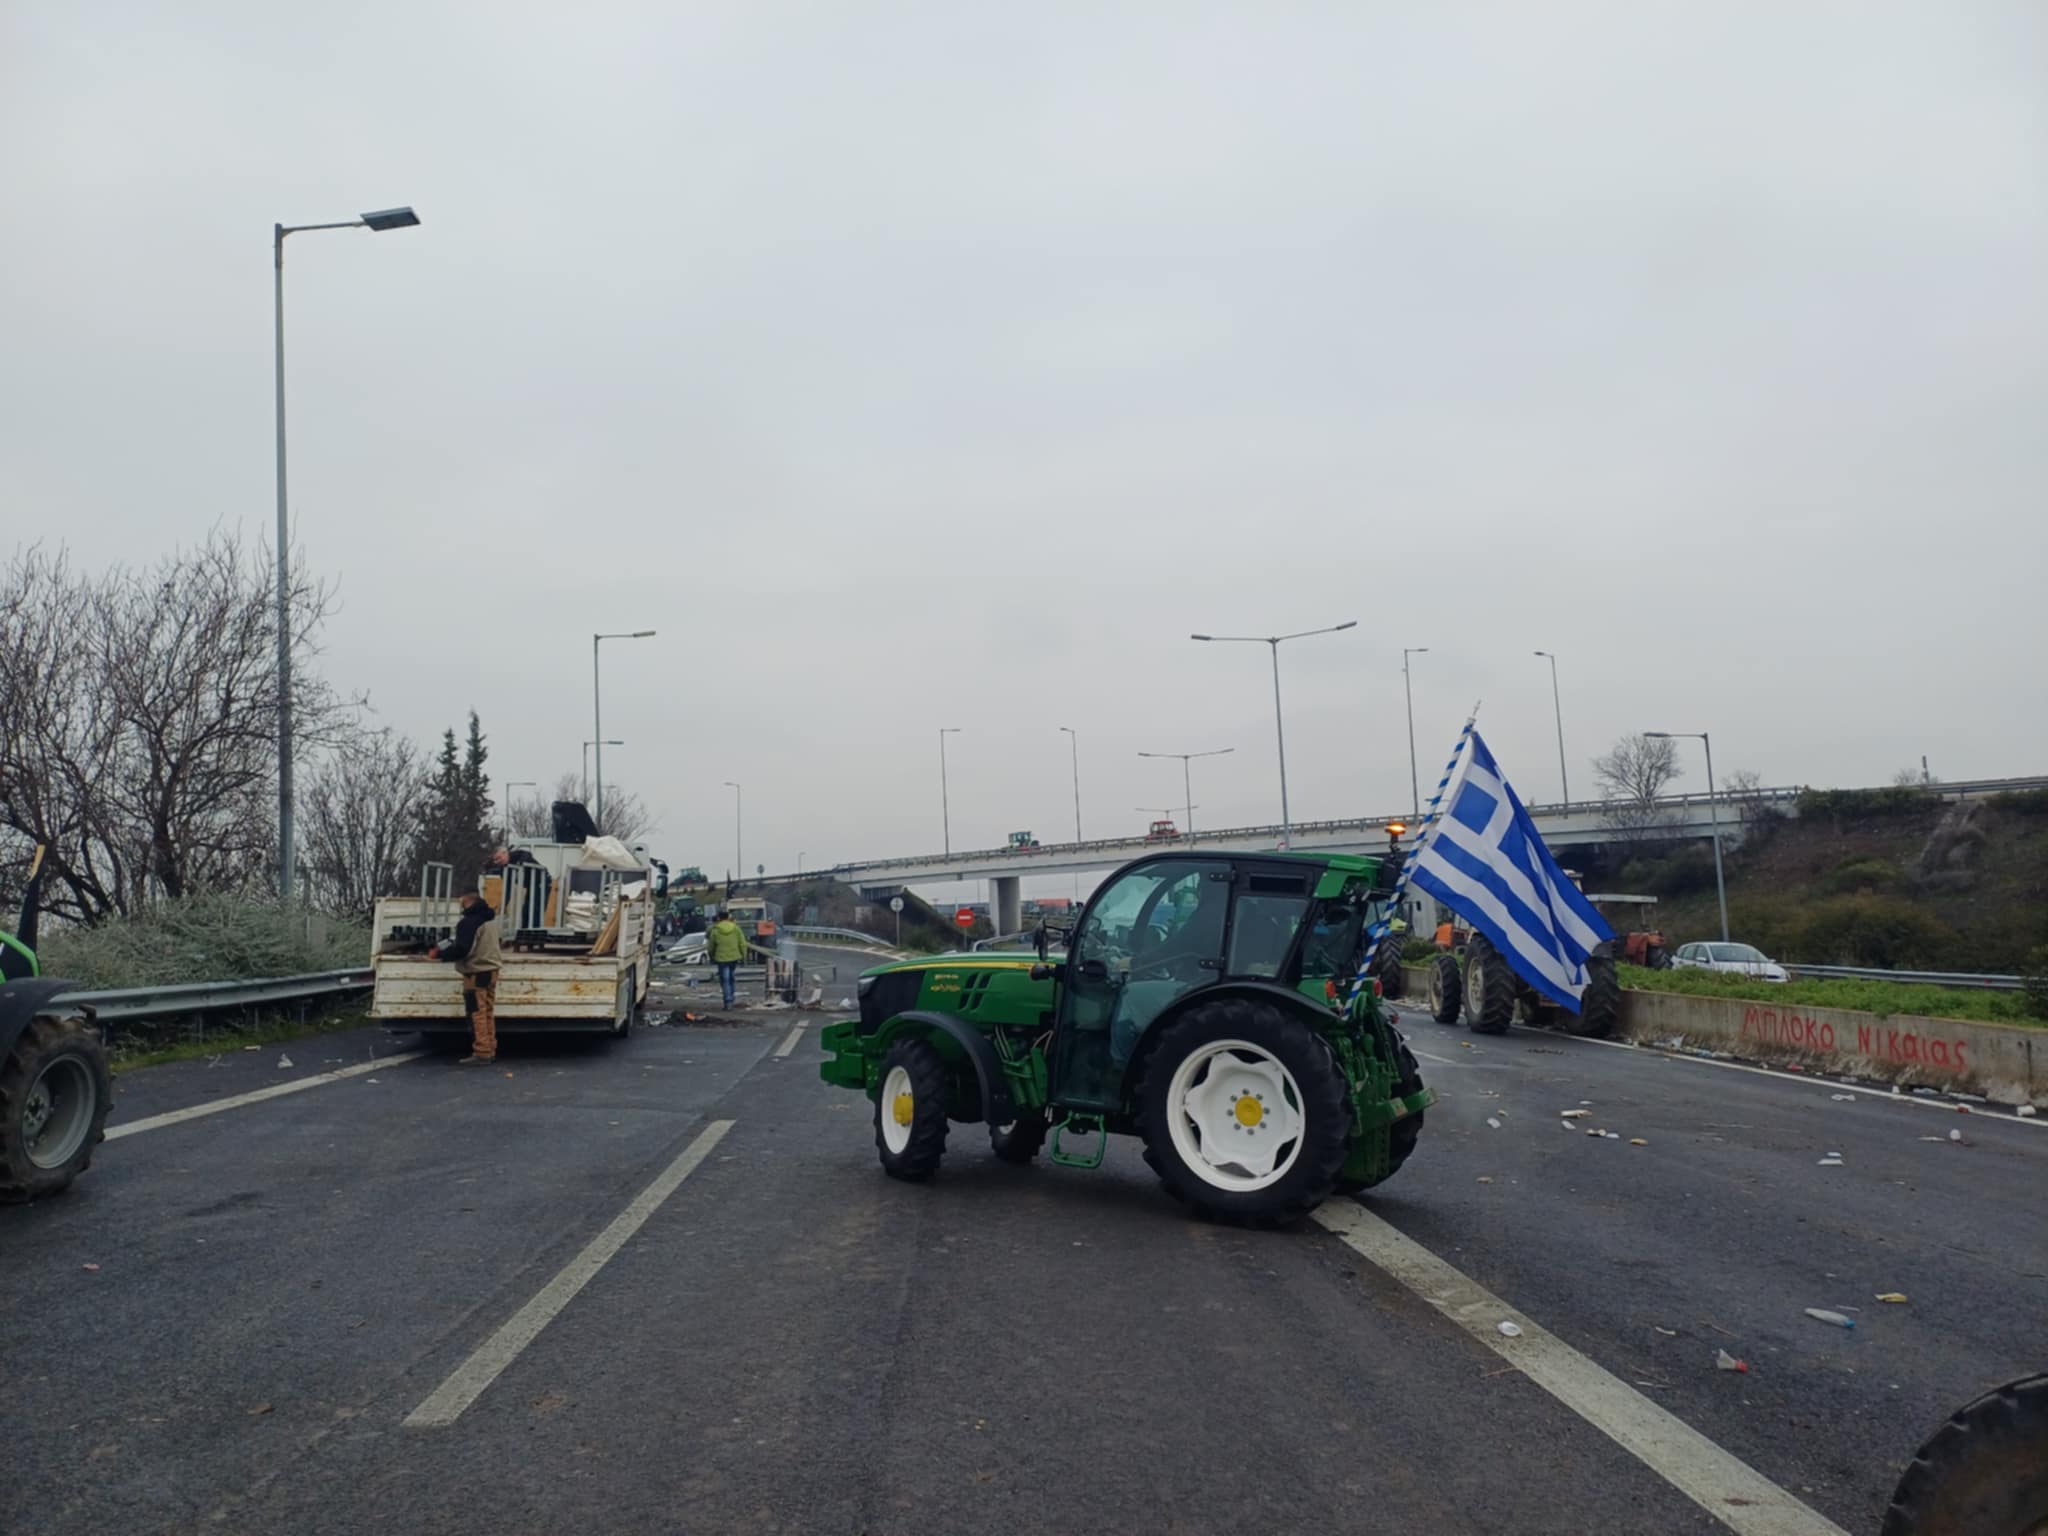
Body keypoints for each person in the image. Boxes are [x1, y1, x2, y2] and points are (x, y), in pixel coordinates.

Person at [426, 884, 503, 1064]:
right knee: (487, 1012)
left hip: (475, 972)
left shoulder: (468, 922)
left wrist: (440, 955)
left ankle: (482, 1052)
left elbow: (462, 949)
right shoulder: (489, 919)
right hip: (492, 970)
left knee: (476, 1012)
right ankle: (490, 1047)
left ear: (465, 899)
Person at [707, 908, 748, 1008]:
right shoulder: (736, 928)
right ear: (728, 917)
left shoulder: (715, 930)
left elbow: (711, 946)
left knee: (725, 979)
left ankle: (728, 1001)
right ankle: (731, 998)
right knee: (731, 978)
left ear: (719, 918)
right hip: (734, 957)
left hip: (721, 958)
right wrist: (744, 956)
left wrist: (711, 956)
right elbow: (743, 943)